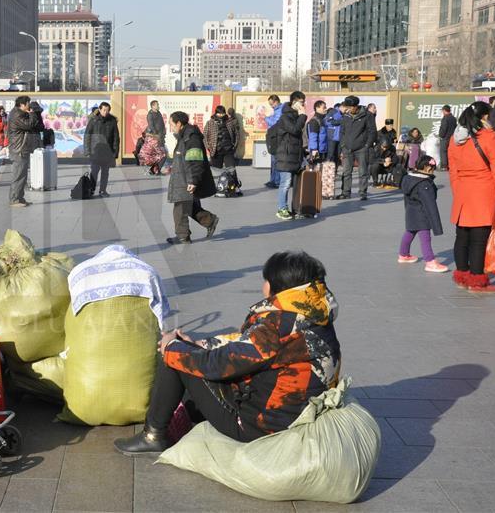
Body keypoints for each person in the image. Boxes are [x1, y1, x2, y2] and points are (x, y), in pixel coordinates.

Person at [114, 251, 340, 454]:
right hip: (287, 415)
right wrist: (201, 344)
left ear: (277, 288)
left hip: (258, 427)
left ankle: (154, 435)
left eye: (266, 281)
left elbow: (217, 364)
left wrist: (171, 346)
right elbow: (244, 344)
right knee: (187, 352)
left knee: (175, 359)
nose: (263, 287)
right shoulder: (310, 317)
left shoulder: (277, 328)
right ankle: (182, 409)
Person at [448, 102, 495, 294]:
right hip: (484, 190)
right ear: (484, 117)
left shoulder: (455, 138)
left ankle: (462, 275)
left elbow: (453, 170)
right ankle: (477, 280)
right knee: (479, 238)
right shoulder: (489, 136)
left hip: (463, 191)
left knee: (462, 236)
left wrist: (458, 190)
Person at [166, 111, 218, 245]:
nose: (171, 128)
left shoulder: (191, 137)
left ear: (179, 123)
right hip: (182, 178)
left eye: (172, 125)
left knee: (180, 208)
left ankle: (183, 236)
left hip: (186, 179)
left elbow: (195, 161)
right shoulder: (184, 136)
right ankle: (209, 220)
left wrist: (193, 181)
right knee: (187, 206)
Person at [397, 155, 448, 273]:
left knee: (410, 232)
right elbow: (430, 204)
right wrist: (436, 225)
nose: (433, 171)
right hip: (422, 214)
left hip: (411, 212)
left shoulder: (408, 178)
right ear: (426, 168)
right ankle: (430, 261)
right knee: (425, 238)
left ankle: (403, 254)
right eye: (432, 168)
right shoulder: (424, 184)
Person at [273, 91, 308, 220]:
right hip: (285, 157)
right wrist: (303, 115)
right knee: (285, 183)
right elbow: (294, 130)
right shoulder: (285, 117)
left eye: (304, 102)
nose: (303, 105)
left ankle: (293, 208)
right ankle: (281, 209)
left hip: (294, 156)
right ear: (294, 102)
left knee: (293, 184)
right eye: (301, 102)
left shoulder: (295, 116)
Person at [338, 95, 377, 201]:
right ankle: (345, 192)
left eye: (350, 107)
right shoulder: (346, 116)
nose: (348, 109)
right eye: (347, 107)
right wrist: (343, 145)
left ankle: (363, 192)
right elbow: (342, 131)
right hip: (347, 148)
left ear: (356, 106)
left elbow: (372, 132)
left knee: (363, 171)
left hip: (362, 149)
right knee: (346, 172)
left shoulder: (367, 115)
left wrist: (367, 145)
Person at [7, 95, 43, 208]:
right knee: (18, 175)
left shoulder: (19, 113)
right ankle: (14, 199)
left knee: (22, 175)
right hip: (19, 149)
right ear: (22, 105)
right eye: (28, 103)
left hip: (22, 148)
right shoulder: (17, 115)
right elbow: (28, 125)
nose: (29, 106)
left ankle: (20, 198)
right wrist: (32, 113)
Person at [84, 101, 120, 197]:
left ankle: (103, 190)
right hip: (95, 151)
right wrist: (87, 150)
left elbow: (116, 138)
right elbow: (87, 135)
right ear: (99, 109)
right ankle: (91, 190)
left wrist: (115, 152)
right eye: (104, 110)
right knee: (94, 171)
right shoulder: (93, 120)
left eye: (107, 110)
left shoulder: (112, 121)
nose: (105, 112)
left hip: (107, 152)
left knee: (105, 172)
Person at [205, 105, 238, 170]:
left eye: (222, 113)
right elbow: (205, 136)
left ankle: (232, 180)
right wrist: (208, 147)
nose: (221, 115)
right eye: (219, 113)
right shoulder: (210, 123)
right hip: (216, 151)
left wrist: (234, 145)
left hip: (228, 150)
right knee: (216, 171)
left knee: (231, 169)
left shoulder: (229, 122)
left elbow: (236, 134)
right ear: (216, 113)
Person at [263, 95, 284, 189]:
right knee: (273, 160)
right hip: (274, 137)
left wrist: (266, 118)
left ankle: (276, 181)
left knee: (276, 160)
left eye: (272, 104)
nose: (271, 106)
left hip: (277, 138)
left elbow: (275, 123)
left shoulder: (280, 110)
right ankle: (273, 180)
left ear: (276, 101)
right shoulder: (277, 110)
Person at [437, 105, 457, 171]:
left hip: (445, 138)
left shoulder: (445, 118)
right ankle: (451, 165)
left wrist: (441, 136)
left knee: (443, 151)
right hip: (452, 137)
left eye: (442, 111)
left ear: (444, 110)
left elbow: (444, 128)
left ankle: (444, 166)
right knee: (450, 152)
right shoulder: (453, 118)